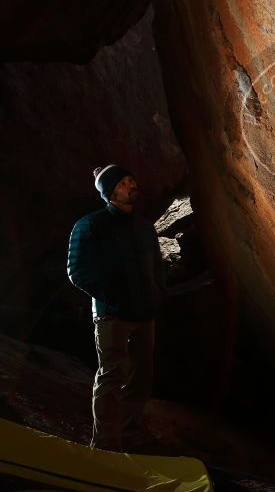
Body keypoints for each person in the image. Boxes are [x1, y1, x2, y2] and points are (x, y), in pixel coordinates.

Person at [67, 165, 164, 451]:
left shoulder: (145, 228)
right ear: (110, 193)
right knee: (111, 377)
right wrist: (112, 298)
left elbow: (157, 266)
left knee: (142, 378)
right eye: (123, 183)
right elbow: (77, 270)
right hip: (112, 316)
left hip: (145, 314)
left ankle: (129, 433)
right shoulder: (90, 225)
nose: (131, 185)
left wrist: (159, 293)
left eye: (132, 180)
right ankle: (106, 445)